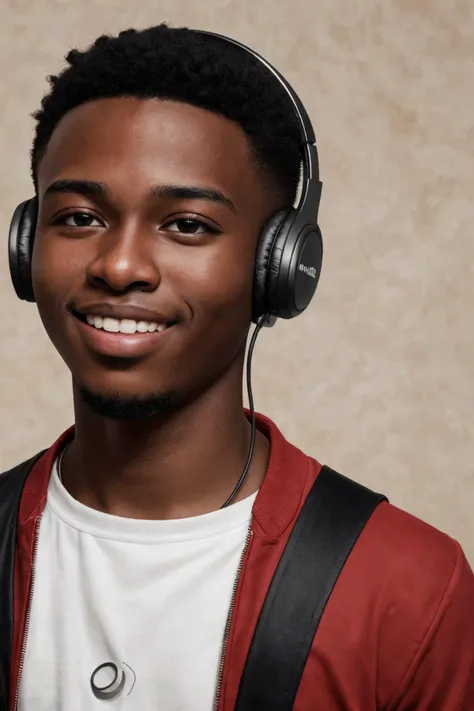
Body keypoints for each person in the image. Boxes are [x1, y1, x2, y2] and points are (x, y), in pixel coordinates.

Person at [0, 23, 473, 711]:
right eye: (78, 217)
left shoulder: (409, 590)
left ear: (278, 266)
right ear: (24, 243)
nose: (120, 265)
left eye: (187, 224)